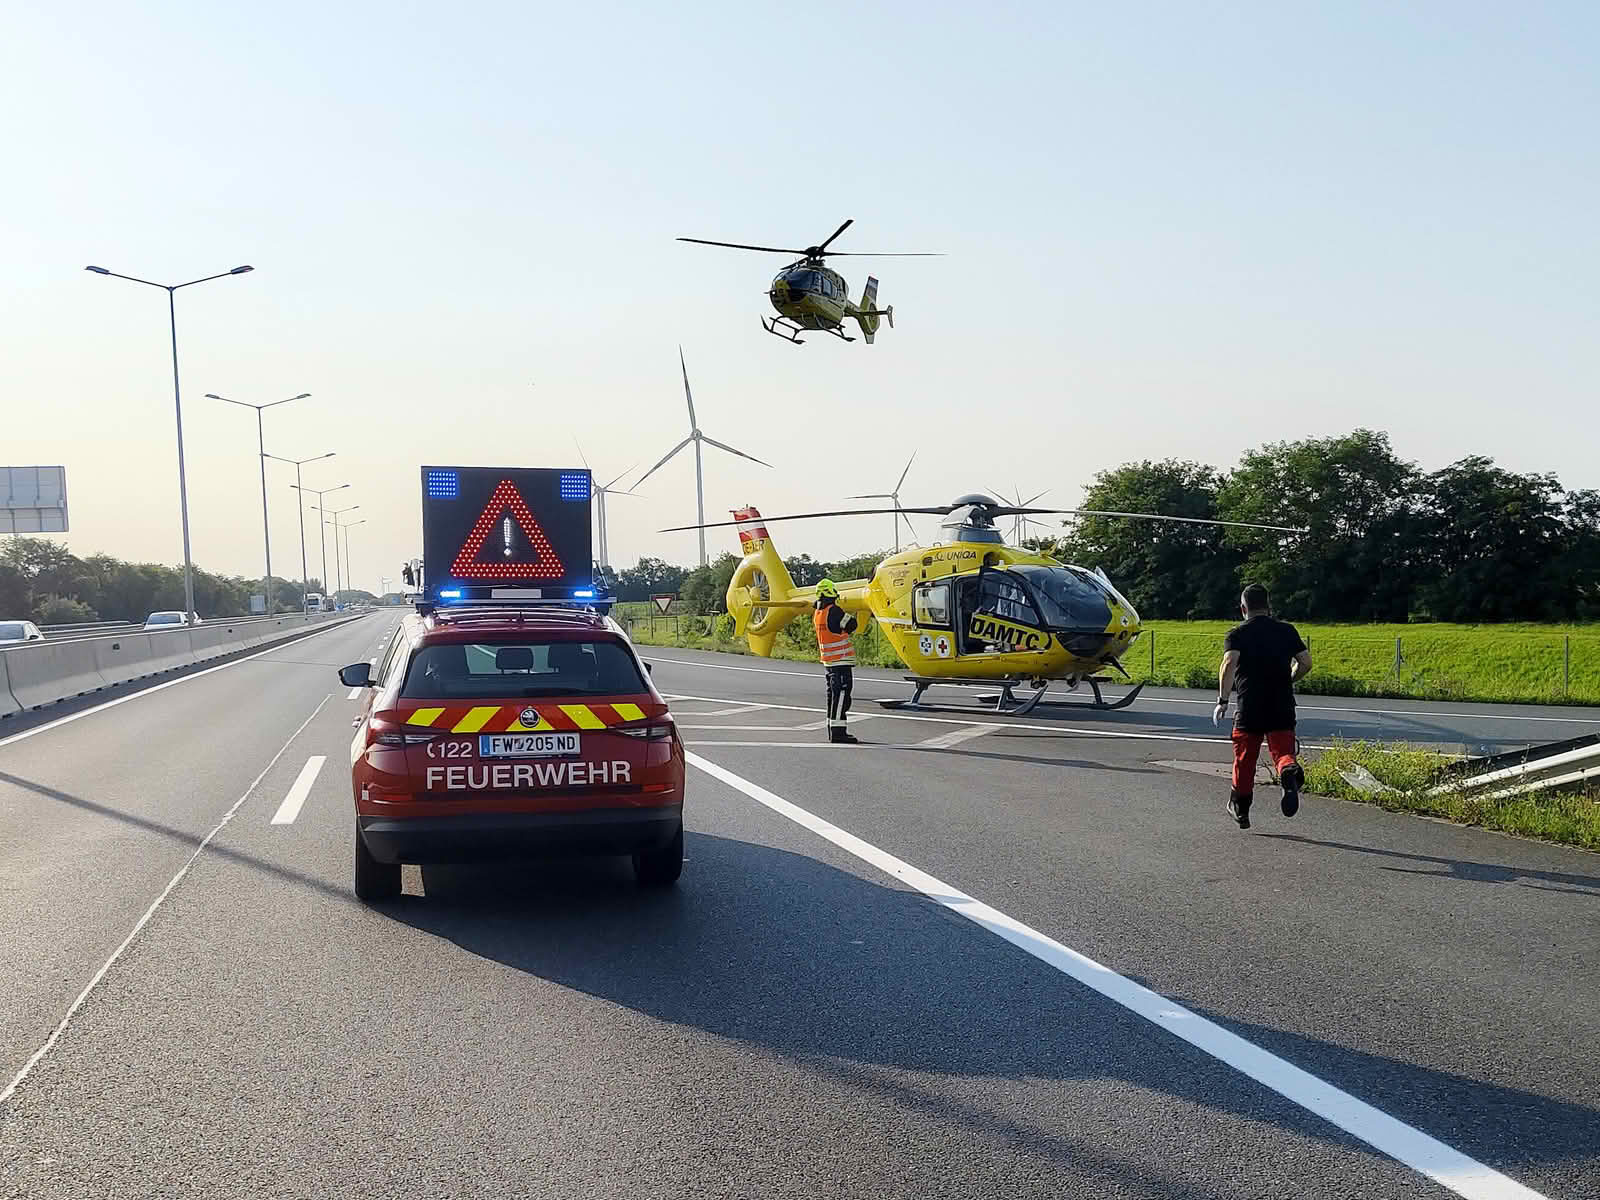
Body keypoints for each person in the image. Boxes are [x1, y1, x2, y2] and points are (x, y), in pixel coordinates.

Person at [1214, 583, 1312, 829]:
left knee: (1245, 760)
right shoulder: (1287, 630)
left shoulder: (1237, 634)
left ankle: (1241, 809)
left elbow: (1229, 664)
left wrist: (1223, 700)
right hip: (1281, 704)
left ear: (1243, 608)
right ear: (1268, 606)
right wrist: (1290, 677)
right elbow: (1306, 662)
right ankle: (1288, 771)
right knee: (1282, 752)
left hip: (1250, 705)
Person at [813, 579, 860, 744]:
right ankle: (839, 733)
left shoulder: (818, 613)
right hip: (840, 662)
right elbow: (852, 624)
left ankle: (832, 729)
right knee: (841, 697)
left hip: (829, 663)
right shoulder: (834, 611)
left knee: (832, 697)